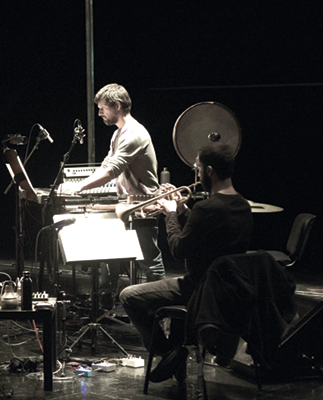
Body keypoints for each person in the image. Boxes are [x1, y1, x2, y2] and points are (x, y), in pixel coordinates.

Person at [119, 144, 252, 382]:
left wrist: (170, 214)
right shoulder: (242, 205)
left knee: (128, 296)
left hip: (198, 288)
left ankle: (169, 353)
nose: (197, 176)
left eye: (198, 169)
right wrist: (182, 208)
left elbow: (178, 249)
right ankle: (175, 351)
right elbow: (205, 234)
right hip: (227, 288)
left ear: (209, 170)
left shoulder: (206, 208)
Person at [59, 84, 165, 307]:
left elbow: (112, 171)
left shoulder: (134, 133)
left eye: (102, 108)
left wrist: (79, 188)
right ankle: (105, 302)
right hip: (127, 204)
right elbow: (106, 165)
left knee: (149, 262)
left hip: (143, 206)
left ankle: (160, 309)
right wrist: (76, 185)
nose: (99, 113)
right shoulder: (118, 134)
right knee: (111, 255)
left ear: (117, 105)